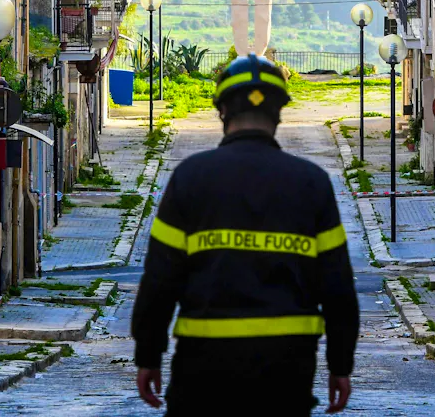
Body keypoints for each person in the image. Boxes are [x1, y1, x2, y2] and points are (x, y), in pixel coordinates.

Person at [132, 54, 360, 416]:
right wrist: (340, 365)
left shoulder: (190, 178)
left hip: (203, 366)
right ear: (278, 113)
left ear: (223, 111)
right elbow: (338, 287)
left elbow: (160, 280)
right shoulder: (311, 184)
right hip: (286, 368)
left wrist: (147, 355)